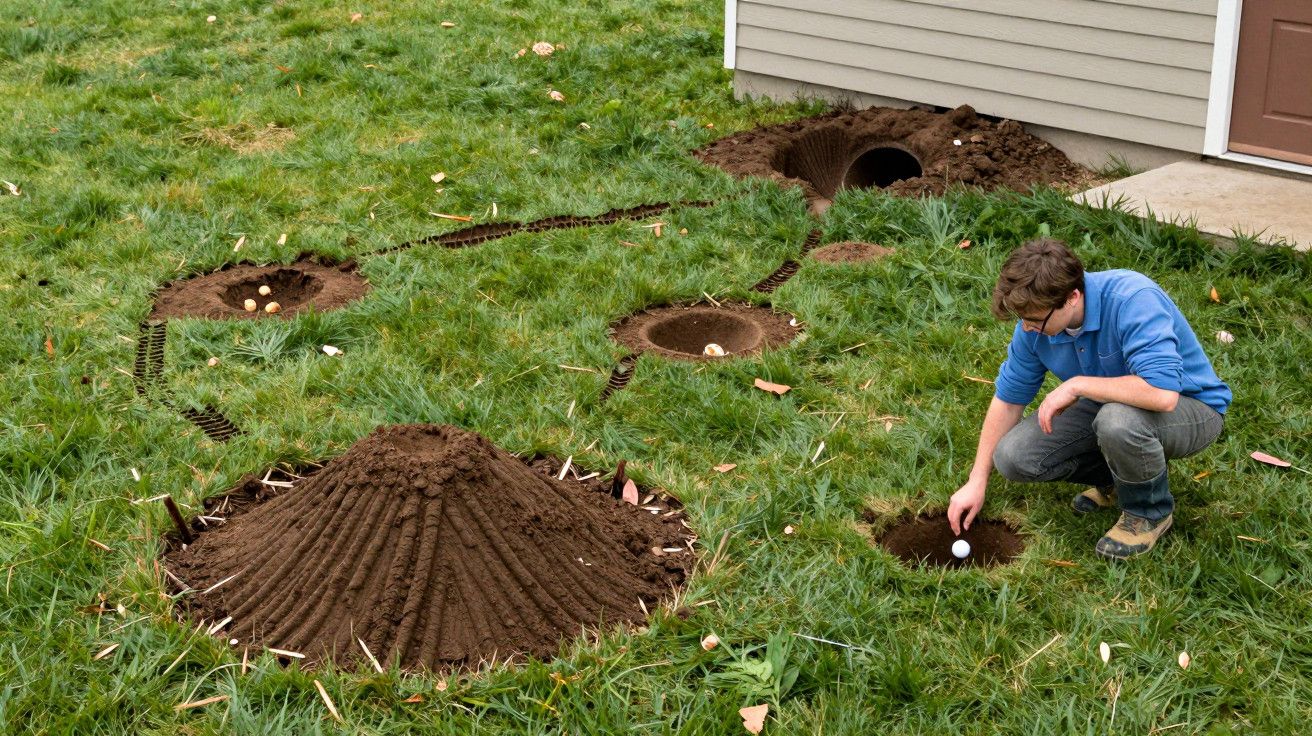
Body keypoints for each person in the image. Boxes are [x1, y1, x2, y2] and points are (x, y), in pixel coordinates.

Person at [948, 238, 1231, 560]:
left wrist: (1077, 385)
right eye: (1021, 318)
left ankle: (1148, 512)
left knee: (1118, 422)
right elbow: (1009, 400)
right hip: (1108, 406)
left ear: (1072, 297)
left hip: (1191, 407)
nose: (1027, 328)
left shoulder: (1133, 298)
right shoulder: (1031, 328)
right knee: (1014, 456)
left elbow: (1163, 394)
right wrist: (977, 480)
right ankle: (1117, 477)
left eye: (1036, 319)